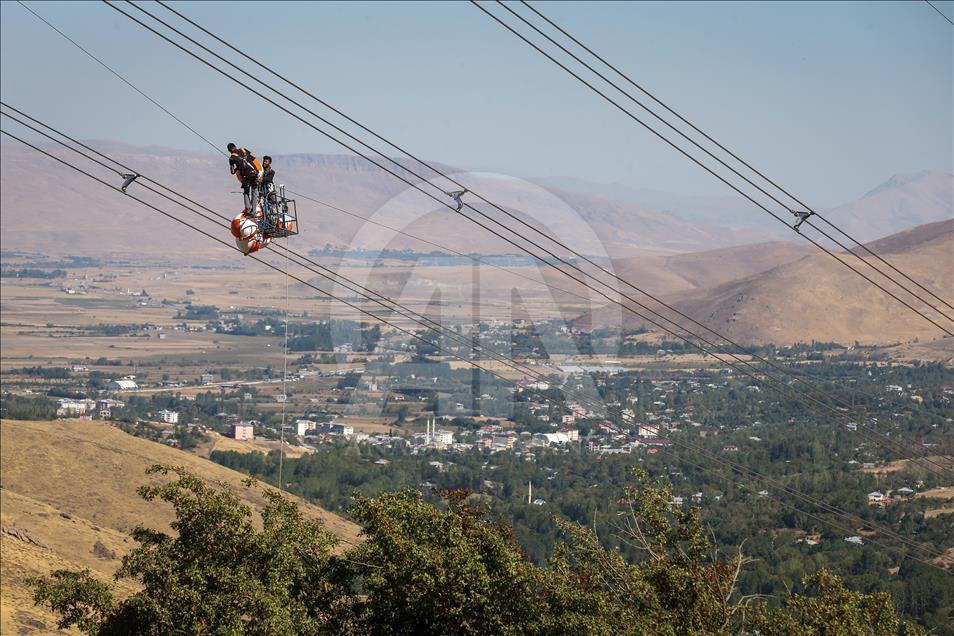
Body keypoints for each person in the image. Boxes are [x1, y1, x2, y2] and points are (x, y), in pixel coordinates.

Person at [227, 143, 263, 213]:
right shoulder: (243, 149)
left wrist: (237, 168)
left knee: (246, 192)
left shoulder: (231, 158)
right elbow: (253, 157)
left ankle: (248, 209)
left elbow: (232, 172)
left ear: (229, 151)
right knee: (254, 192)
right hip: (254, 172)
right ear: (235, 146)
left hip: (246, 176)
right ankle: (254, 211)